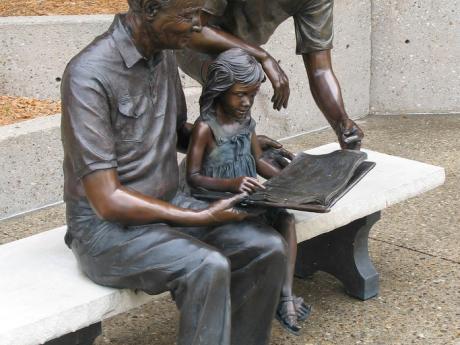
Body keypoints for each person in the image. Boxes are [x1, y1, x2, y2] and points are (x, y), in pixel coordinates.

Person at [60, 0, 288, 344]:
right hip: (106, 230)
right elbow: (107, 201)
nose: (199, 25)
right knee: (205, 266)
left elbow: (176, 130)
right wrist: (199, 217)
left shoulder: (163, 53)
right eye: (189, 15)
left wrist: (226, 139)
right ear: (150, 11)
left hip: (170, 205)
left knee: (266, 246)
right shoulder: (88, 75)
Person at [185, 48, 311, 335]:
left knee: (287, 219)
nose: (246, 102)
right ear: (220, 90)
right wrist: (230, 184)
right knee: (266, 236)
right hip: (217, 201)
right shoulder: (206, 128)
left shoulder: (245, 122)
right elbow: (193, 178)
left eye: (252, 96)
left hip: (248, 195)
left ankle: (287, 296)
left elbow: (257, 161)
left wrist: (288, 179)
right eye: (240, 94)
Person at [176, 0, 364, 150]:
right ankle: (216, 160)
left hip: (240, 52)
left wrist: (341, 122)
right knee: (237, 72)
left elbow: (320, 69)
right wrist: (263, 56)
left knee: (242, 73)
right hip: (190, 40)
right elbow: (192, 30)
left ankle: (237, 154)